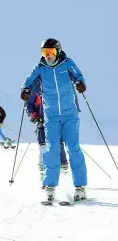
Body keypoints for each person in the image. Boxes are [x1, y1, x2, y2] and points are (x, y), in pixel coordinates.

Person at [20, 38, 87, 202]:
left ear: (58, 52)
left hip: (70, 114)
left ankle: (80, 187)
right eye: (45, 53)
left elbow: (78, 75)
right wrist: (25, 89)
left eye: (51, 52)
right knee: (51, 149)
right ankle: (50, 187)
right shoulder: (41, 67)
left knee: (73, 148)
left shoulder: (67, 63)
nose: (48, 56)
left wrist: (80, 83)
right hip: (51, 116)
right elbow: (29, 79)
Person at [23, 88, 69, 181]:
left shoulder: (57, 87)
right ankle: (43, 171)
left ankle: (63, 168)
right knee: (43, 146)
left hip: (56, 122)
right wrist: (35, 117)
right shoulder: (36, 89)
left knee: (59, 144)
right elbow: (29, 104)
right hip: (41, 122)